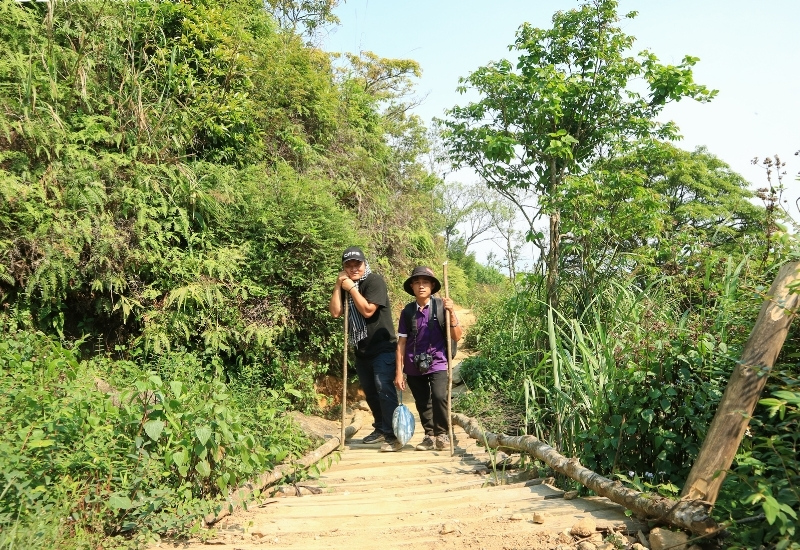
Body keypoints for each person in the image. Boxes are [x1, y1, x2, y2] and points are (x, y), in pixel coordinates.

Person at [329, 246, 402, 452]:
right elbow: (335, 312)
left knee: (384, 388)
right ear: (343, 267)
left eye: (357, 264)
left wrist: (351, 288)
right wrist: (338, 285)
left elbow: (369, 310)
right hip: (362, 349)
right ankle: (381, 428)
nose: (353, 268)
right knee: (370, 392)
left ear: (364, 264)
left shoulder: (374, 281)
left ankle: (393, 435)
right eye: (348, 265)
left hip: (382, 347)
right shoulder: (347, 286)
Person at [394, 266, 463, 451]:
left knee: (440, 396)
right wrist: (399, 373)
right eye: (417, 283)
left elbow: (457, 336)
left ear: (432, 286)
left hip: (438, 361)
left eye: (425, 282)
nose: (421, 286)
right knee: (422, 401)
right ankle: (429, 435)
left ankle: (443, 434)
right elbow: (401, 343)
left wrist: (452, 312)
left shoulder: (442, 307)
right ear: (412, 287)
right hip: (413, 364)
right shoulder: (407, 312)